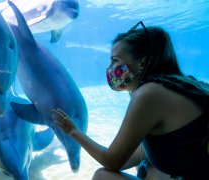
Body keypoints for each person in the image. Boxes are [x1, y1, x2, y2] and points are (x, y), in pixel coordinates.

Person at [52, 21, 209, 179]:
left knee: (103, 177)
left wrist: (73, 131)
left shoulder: (148, 94)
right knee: (148, 169)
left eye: (115, 60)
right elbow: (131, 156)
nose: (110, 68)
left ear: (142, 63)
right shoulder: (184, 84)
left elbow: (112, 162)